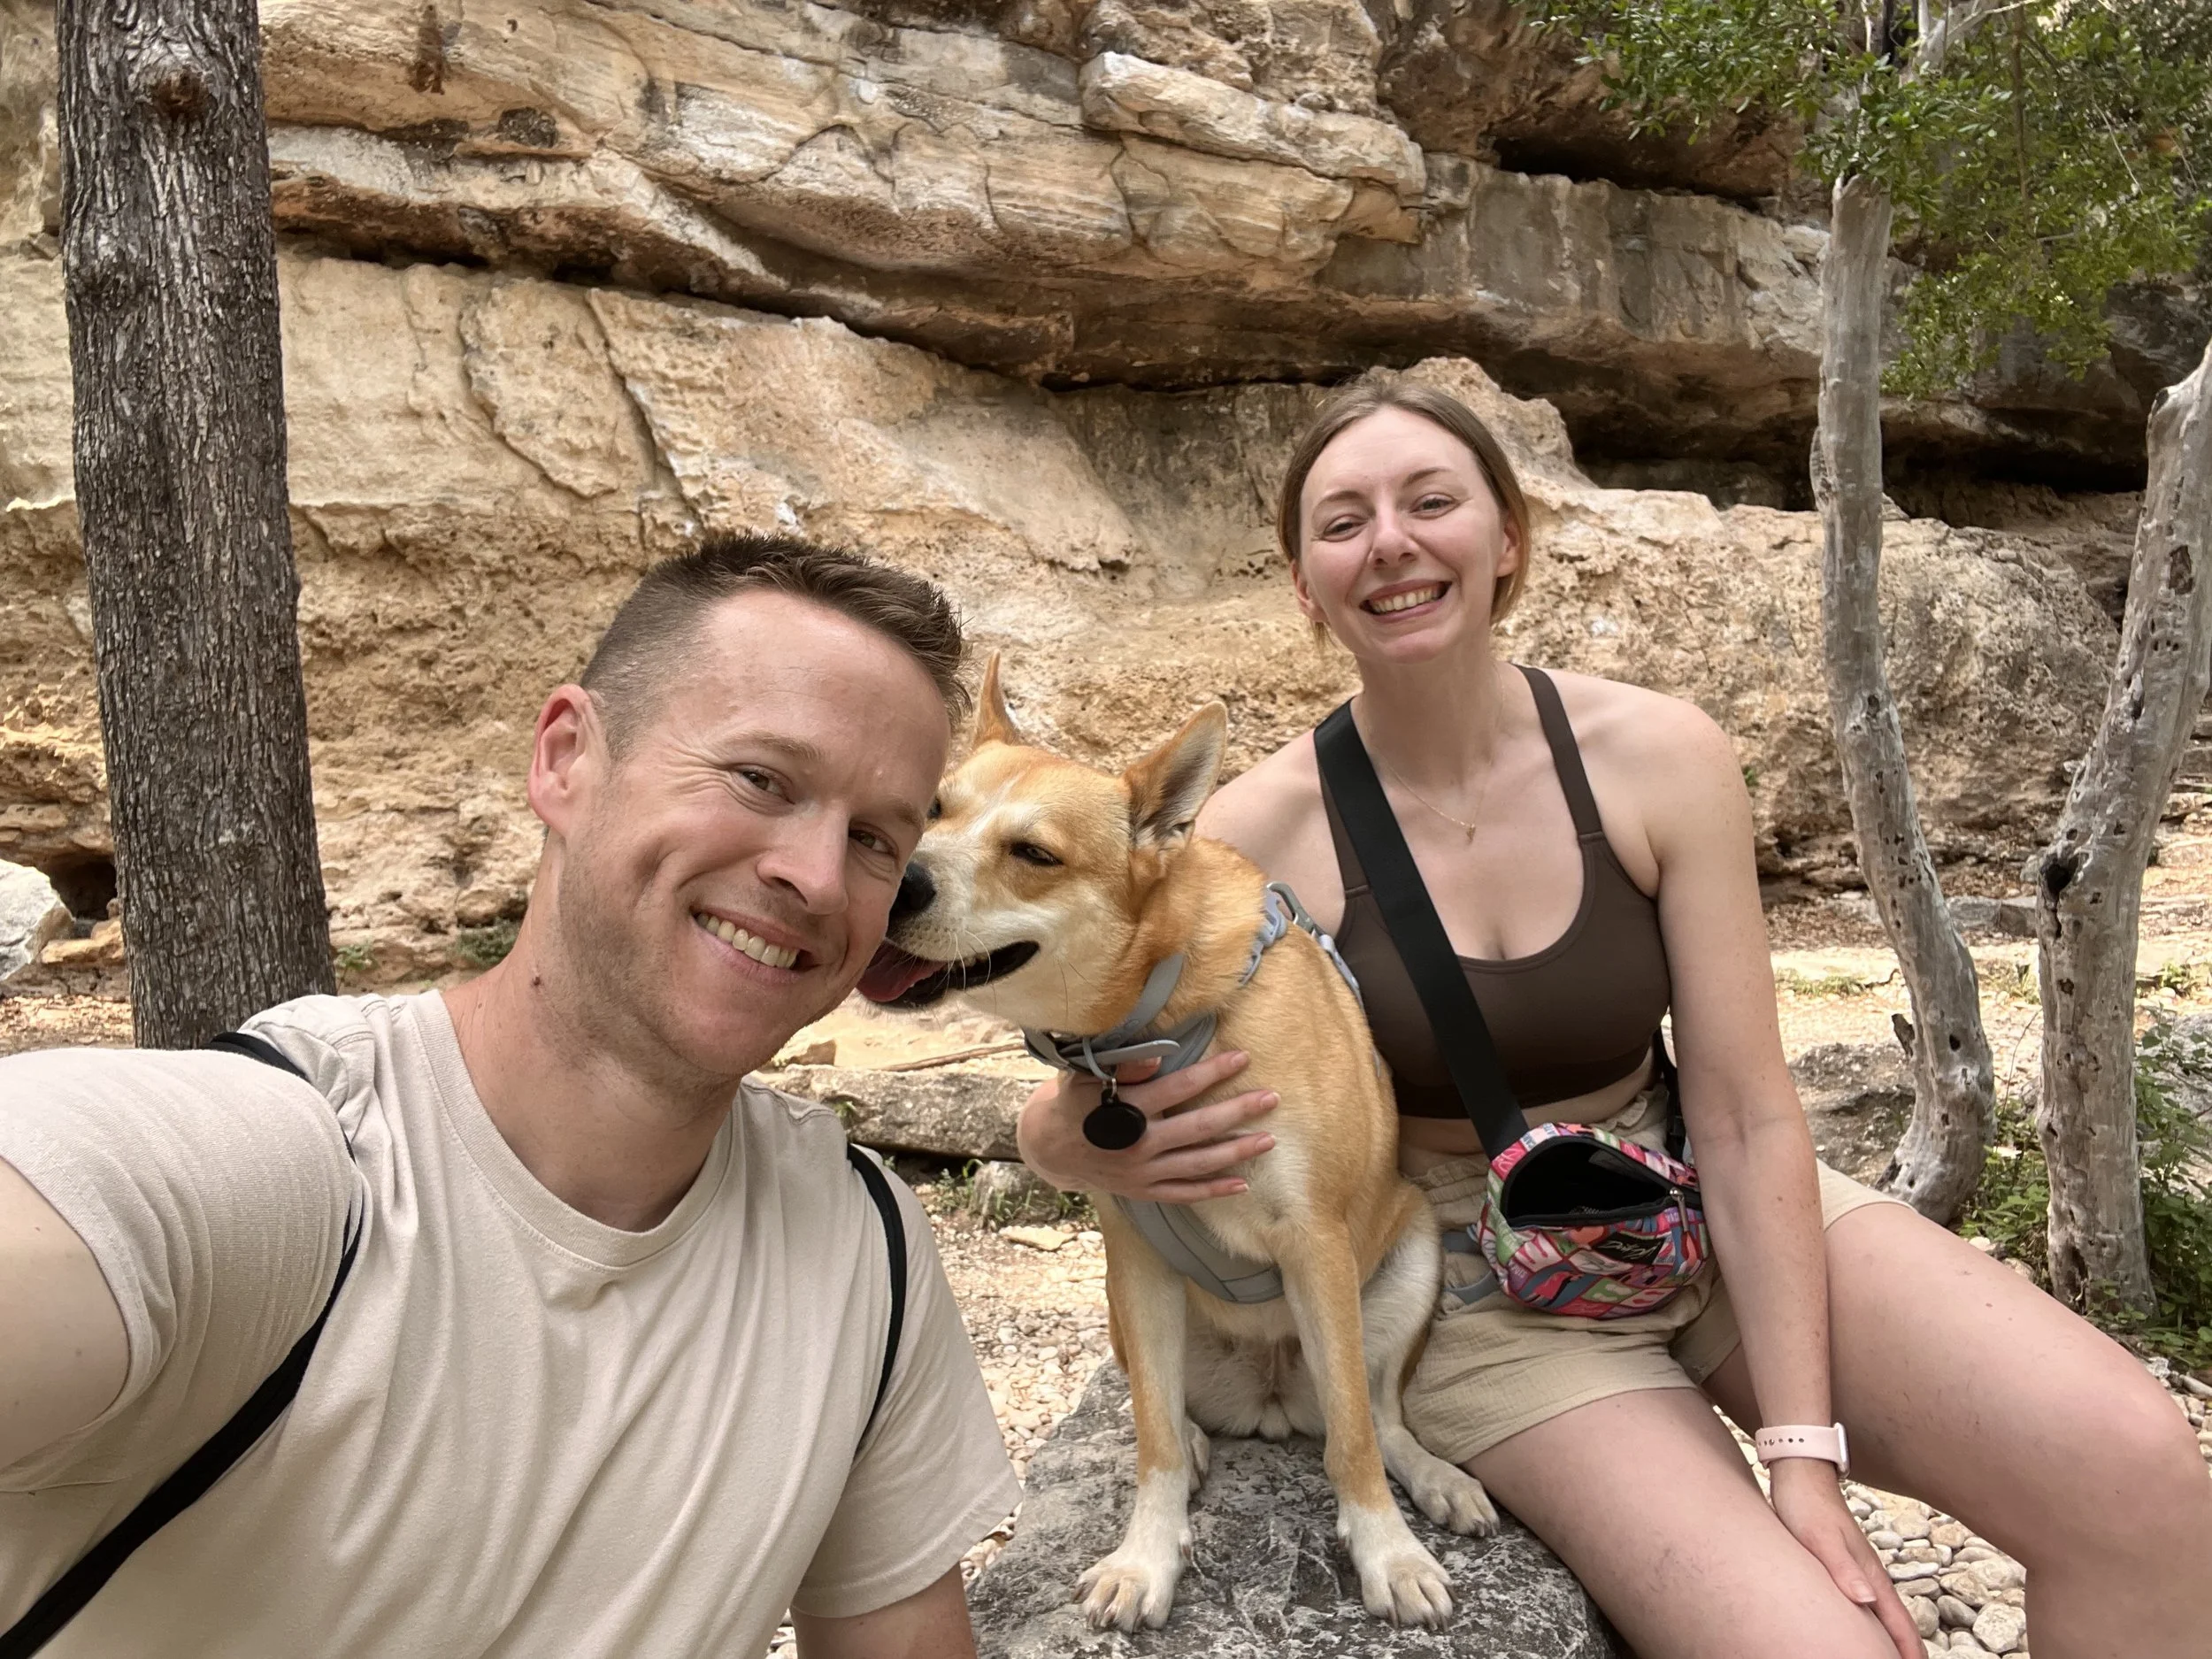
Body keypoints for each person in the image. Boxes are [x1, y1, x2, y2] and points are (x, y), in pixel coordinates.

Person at [1015, 380, 2212, 1659]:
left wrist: (1804, 1456)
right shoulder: (1261, 829)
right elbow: (1090, 1054)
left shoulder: (1658, 756)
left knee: (2136, 1472)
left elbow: (1749, 1111)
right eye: (1343, 520)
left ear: (1508, 535)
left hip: (1687, 1191)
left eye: (1433, 501)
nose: (1393, 543)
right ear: (1306, 583)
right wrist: (1065, 1140)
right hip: (1470, 1280)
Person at [0, 534, 1021, 1658]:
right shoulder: (285, 1165)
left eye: (877, 840)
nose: (817, 877)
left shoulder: (859, 1252)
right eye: (760, 779)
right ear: (567, 760)